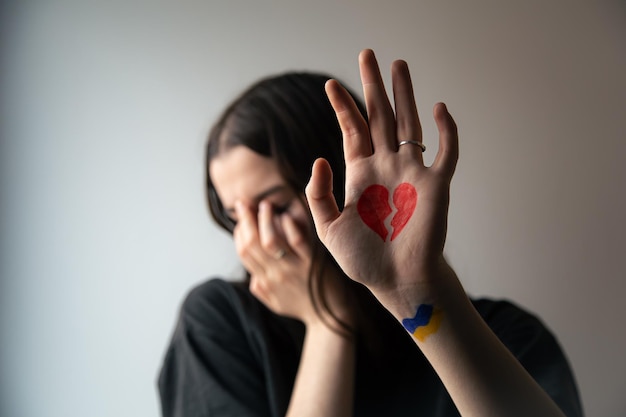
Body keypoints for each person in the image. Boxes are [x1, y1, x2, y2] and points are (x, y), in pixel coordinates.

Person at [158, 49, 583, 417]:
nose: (254, 241)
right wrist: (327, 322)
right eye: (236, 216)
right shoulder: (219, 324)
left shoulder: (506, 337)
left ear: (347, 183)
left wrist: (421, 291)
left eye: (278, 206)